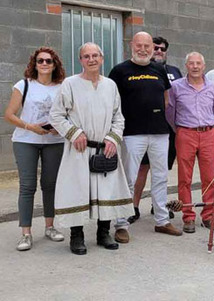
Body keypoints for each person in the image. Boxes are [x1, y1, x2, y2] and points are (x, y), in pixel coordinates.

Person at [50, 42, 133, 255]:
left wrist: (113, 139)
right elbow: (56, 115)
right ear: (80, 60)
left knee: (105, 190)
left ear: (102, 59)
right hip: (79, 149)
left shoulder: (110, 85)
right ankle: (76, 236)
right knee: (77, 190)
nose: (91, 59)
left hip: (105, 148)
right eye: (86, 56)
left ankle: (103, 233)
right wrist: (74, 133)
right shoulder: (69, 84)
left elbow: (118, 116)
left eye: (95, 55)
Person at [108, 31, 181, 240]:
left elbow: (165, 99)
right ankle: (121, 224)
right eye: (139, 45)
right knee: (128, 179)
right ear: (132, 45)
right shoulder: (120, 71)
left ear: (152, 47)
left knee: (160, 177)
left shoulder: (159, 69)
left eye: (147, 46)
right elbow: (113, 102)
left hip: (159, 133)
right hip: (132, 133)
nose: (143, 50)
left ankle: (162, 220)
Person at [3, 47, 66, 251]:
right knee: (27, 186)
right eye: (41, 61)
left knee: (50, 184)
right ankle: (26, 233)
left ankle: (50, 226)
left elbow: (69, 113)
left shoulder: (62, 87)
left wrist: (59, 128)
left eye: (49, 61)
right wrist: (31, 127)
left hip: (54, 142)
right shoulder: (24, 85)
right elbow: (10, 115)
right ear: (35, 63)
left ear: (55, 64)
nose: (45, 64)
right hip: (25, 140)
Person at [128, 36, 182, 224]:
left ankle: (158, 207)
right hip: (137, 131)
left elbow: (170, 99)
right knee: (140, 170)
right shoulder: (128, 70)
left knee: (161, 172)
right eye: (156, 48)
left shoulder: (173, 71)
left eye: (162, 49)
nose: (159, 51)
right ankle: (132, 207)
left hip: (165, 130)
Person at [166, 52, 214, 233]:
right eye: (192, 63)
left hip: (208, 134)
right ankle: (188, 216)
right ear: (186, 66)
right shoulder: (176, 87)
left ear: (204, 66)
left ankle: (208, 216)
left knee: (209, 178)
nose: (195, 66)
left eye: (198, 63)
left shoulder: (213, 87)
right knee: (184, 178)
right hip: (185, 133)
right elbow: (170, 113)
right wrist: (180, 131)